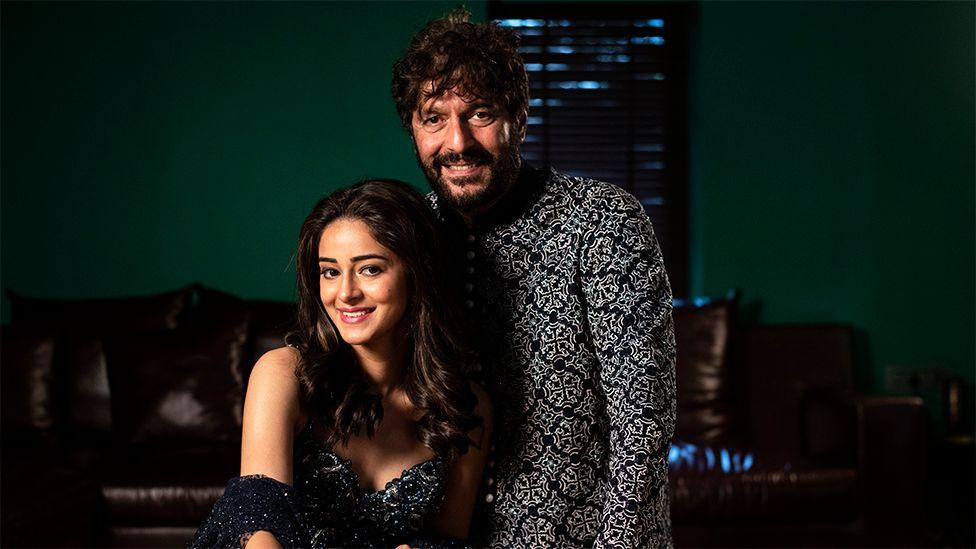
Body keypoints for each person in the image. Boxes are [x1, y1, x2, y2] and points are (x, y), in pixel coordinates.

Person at [391, 9, 677, 548]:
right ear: (412, 127)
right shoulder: (412, 236)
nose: (457, 142)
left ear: (517, 117)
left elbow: (643, 419)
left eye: (479, 113)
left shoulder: (603, 220)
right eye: (434, 118)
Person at [189, 179, 492, 548]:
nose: (345, 293)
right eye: (330, 272)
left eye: (370, 269)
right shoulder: (283, 373)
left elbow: (448, 540)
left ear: (417, 275)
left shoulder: (466, 407)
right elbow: (257, 520)